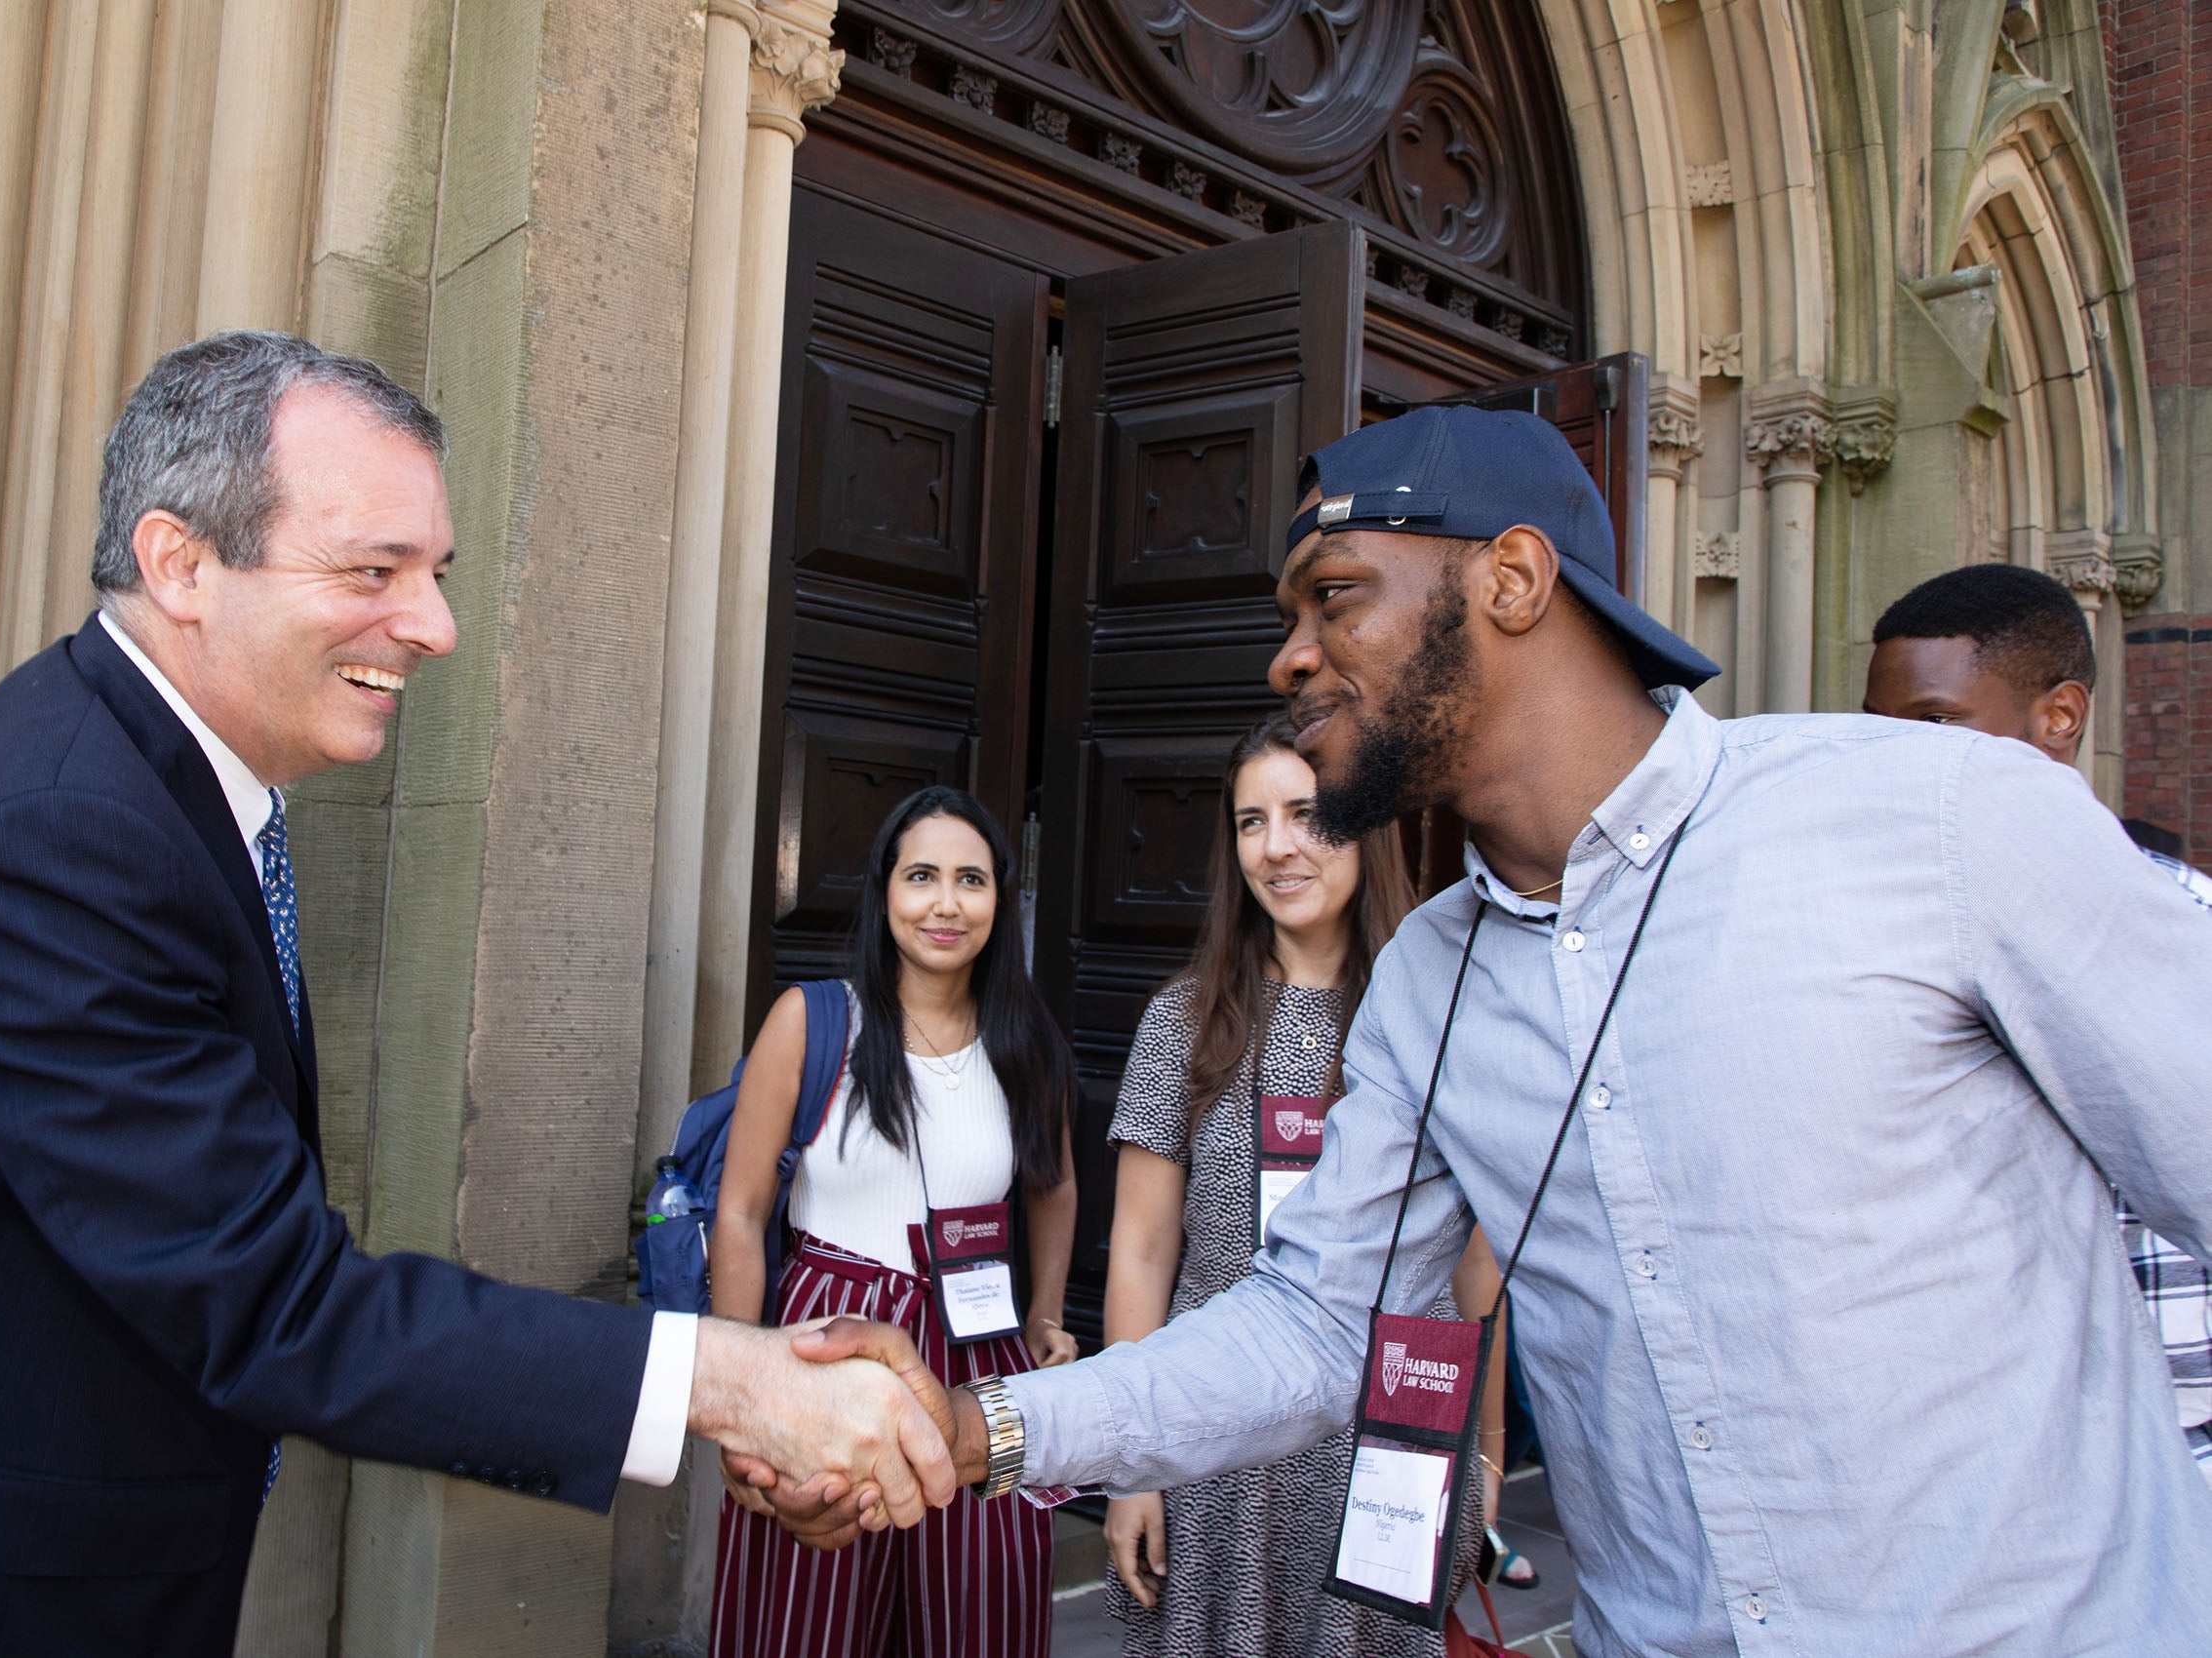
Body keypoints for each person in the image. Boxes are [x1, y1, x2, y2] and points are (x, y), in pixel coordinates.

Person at [765, 406, 2212, 1655]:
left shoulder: (1938, 819)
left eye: (1333, 598)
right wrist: (987, 1430)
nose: (1288, 658)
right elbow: (1315, 1324)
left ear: (1511, 579)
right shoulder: (1430, 981)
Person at [0, 332, 954, 1656]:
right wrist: (725, 1383)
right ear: (180, 563)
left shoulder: (154, 788)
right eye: (374, 572)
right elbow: (271, 1301)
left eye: (433, 572)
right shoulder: (56, 838)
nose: (433, 626)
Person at [1099, 710, 1518, 1657]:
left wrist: (1483, 1449)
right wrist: (1130, 1461)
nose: (1276, 846)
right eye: (1251, 821)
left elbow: (1479, 1261)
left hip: (1387, 1427)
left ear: (1366, 824)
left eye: (1305, 812)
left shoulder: (1440, 1015)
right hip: (1219, 1426)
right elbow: (1141, 1247)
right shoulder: (1183, 1020)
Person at [709, 785, 1078, 1658]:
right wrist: (735, 1383)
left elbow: (1053, 1187)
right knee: (813, 1611)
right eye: (922, 877)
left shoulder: (1028, 1044)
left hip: (977, 1352)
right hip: (827, 1343)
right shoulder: (814, 1024)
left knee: (979, 1606)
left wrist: (1048, 1314)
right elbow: (742, 1208)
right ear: (884, 894)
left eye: (971, 880)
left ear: (1000, 899)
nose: (946, 904)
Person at [1865, 560, 2212, 1483]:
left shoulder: (2187, 921)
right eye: (1877, 731)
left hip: (2183, 1432)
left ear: (2058, 718)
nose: (1893, 759)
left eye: (1935, 723)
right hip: (1987, 1445)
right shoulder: (1869, 940)